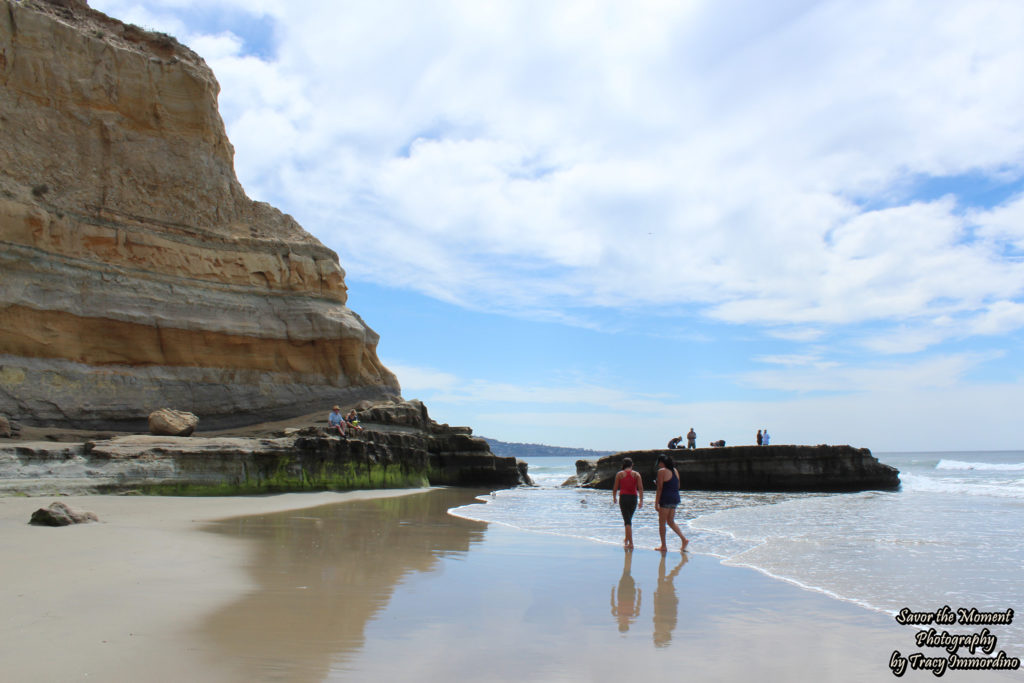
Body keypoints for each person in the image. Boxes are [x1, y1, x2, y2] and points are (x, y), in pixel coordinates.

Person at [654, 454, 689, 553]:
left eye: (659, 463)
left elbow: (660, 488)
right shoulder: (675, 470)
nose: (658, 465)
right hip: (675, 498)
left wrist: (656, 503)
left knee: (662, 523)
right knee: (670, 521)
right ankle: (684, 539)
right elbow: (677, 486)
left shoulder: (661, 471)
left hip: (666, 498)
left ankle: (663, 546)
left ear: (661, 462)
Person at [612, 457, 643, 550]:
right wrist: (641, 500)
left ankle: (631, 543)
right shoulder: (636, 474)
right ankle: (626, 539)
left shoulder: (620, 474)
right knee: (628, 519)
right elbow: (640, 488)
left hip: (624, 498)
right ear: (632, 465)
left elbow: (615, 487)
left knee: (627, 521)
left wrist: (614, 497)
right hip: (634, 498)